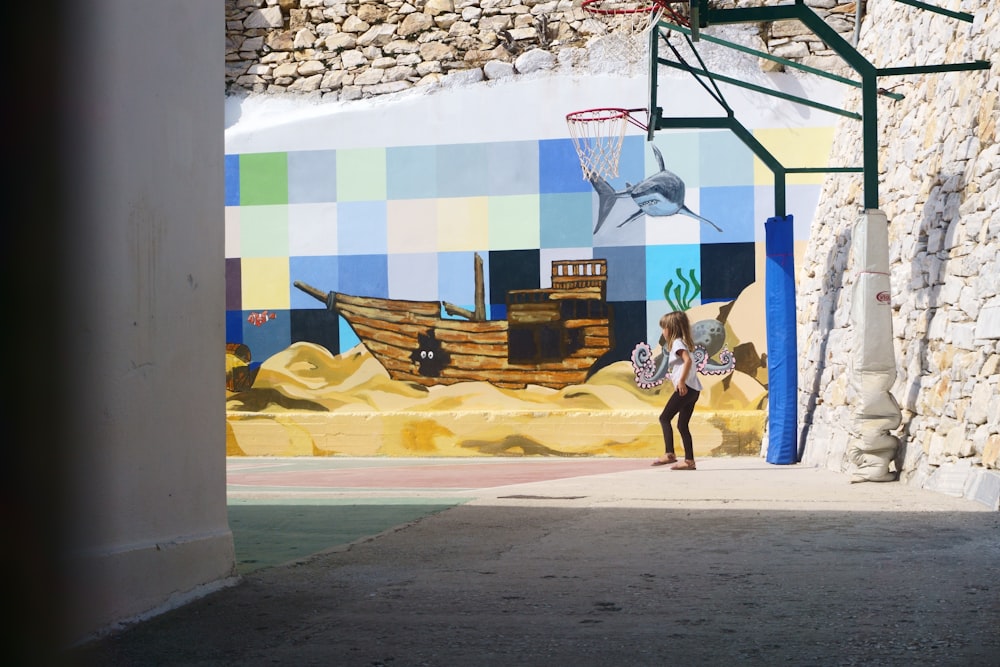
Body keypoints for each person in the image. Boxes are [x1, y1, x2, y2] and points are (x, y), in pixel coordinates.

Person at [651, 310, 702, 470]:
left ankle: (669, 453)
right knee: (682, 425)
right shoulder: (683, 343)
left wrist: (680, 381)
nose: (663, 332)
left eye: (664, 328)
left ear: (671, 329)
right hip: (694, 390)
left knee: (664, 418)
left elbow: (686, 361)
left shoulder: (678, 343)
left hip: (686, 388)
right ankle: (689, 461)